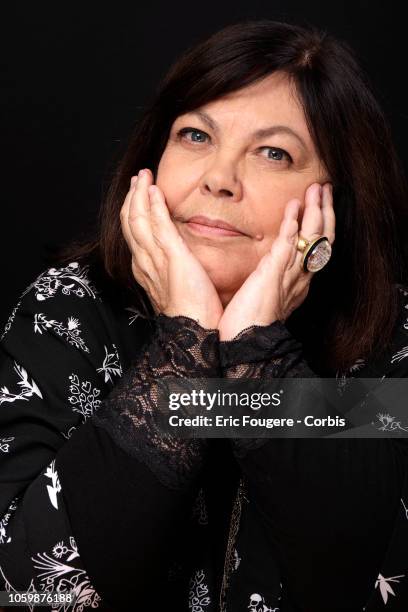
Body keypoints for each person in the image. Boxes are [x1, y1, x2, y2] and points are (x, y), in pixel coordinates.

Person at [1, 17, 408, 612]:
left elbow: (363, 562)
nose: (219, 179)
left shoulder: (389, 335)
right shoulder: (70, 308)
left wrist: (254, 345)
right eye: (195, 137)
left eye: (273, 153)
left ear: (336, 195)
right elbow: (25, 585)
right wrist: (183, 344)